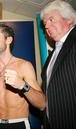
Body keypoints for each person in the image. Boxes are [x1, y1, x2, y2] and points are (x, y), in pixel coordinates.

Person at [40, 0, 76, 129]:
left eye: (51, 20)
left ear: (69, 20)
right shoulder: (52, 55)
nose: (47, 26)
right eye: (45, 23)